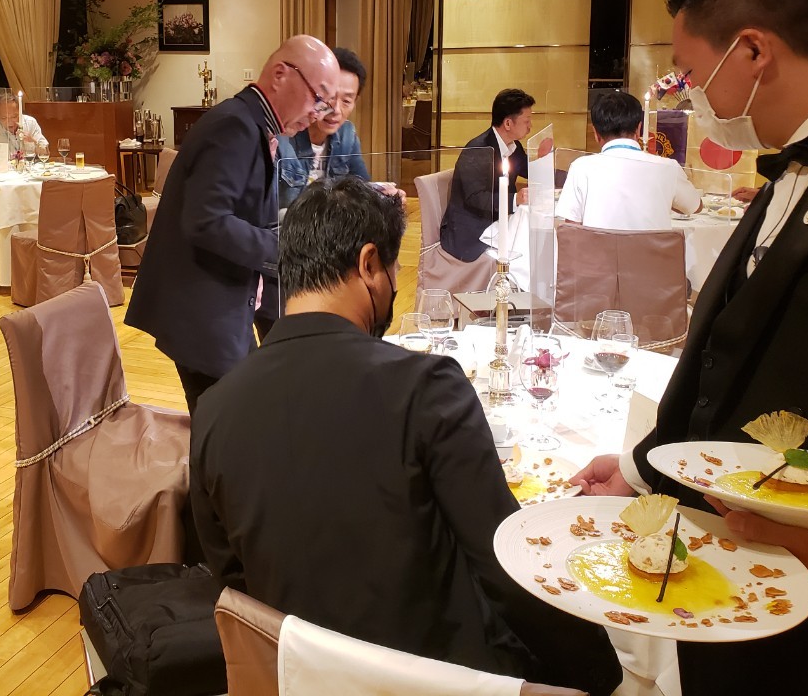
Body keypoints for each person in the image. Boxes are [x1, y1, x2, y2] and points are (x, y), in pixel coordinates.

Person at [570, 0, 808, 694]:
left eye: (689, 72)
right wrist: (643, 471)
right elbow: (727, 356)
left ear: (753, 51)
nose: (687, 94)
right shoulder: (786, 174)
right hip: (735, 587)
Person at [191, 178, 621, 695]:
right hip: (438, 677)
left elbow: (234, 584)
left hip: (300, 677)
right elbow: (504, 563)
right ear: (369, 264)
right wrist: (601, 671)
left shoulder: (213, 409)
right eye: (394, 272)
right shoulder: (425, 387)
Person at [125, 35, 338, 414]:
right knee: (230, 426)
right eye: (318, 98)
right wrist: (291, 250)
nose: (318, 114)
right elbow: (207, 221)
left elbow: (250, 219)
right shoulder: (233, 127)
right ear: (280, 74)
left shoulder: (254, 126)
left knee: (239, 420)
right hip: (202, 311)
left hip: (225, 302)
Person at [556, 89, 701, 229]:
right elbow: (695, 207)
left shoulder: (581, 167)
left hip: (599, 247)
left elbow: (571, 228)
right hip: (652, 247)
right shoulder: (668, 167)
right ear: (638, 129)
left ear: (596, 133)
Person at [439, 88, 533, 261]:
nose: (530, 126)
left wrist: (564, 171)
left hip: (499, 219)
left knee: (531, 241)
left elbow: (530, 170)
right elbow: (475, 198)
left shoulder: (514, 146)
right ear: (508, 123)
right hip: (471, 228)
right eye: (527, 121)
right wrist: (515, 199)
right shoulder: (478, 149)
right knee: (522, 254)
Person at [274, 47, 371, 209]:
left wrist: (384, 195)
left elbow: (363, 189)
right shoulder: (282, 136)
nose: (336, 110)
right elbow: (266, 209)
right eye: (329, 97)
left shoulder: (347, 134)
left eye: (346, 101)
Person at [0, 92, 47, 160]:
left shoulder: (30, 123)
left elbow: (45, 153)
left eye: (14, 116)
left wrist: (32, 142)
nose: (10, 122)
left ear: (20, 112)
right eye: (4, 118)